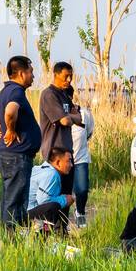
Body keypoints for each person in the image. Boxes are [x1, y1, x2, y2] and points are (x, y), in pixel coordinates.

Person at [0, 56, 41, 228]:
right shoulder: (16, 91)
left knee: (10, 198)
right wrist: (10, 129)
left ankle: (11, 238)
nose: (33, 76)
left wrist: (2, 126)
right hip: (17, 156)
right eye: (31, 72)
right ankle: (12, 240)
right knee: (16, 201)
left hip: (10, 154)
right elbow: (10, 110)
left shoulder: (5, 91)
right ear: (21, 73)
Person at [38, 62, 86, 199]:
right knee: (53, 196)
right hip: (54, 152)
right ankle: (52, 220)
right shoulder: (49, 95)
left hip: (67, 151)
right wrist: (70, 118)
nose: (69, 80)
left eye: (71, 76)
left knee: (66, 195)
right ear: (55, 75)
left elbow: (78, 117)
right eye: (66, 76)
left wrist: (69, 117)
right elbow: (65, 121)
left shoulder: (65, 95)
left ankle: (63, 221)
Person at [27, 147, 74, 231]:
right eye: (69, 161)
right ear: (58, 162)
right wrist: (64, 200)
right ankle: (42, 235)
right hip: (27, 215)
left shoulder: (42, 169)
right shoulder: (51, 174)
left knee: (55, 204)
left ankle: (56, 232)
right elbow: (43, 201)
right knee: (53, 206)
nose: (71, 165)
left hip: (23, 211)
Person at [69, 97, 96, 228]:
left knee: (82, 189)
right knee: (65, 191)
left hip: (81, 158)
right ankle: (60, 220)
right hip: (63, 160)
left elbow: (89, 132)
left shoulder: (85, 114)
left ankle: (80, 212)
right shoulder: (59, 114)